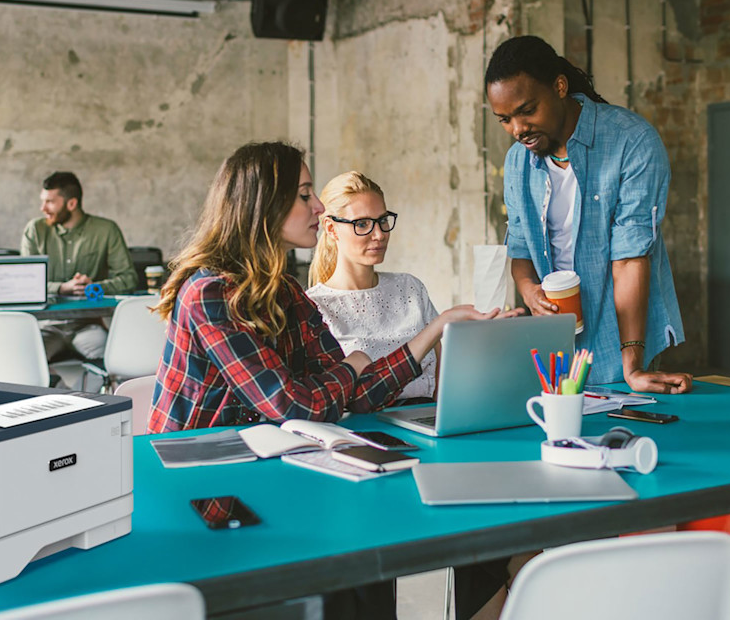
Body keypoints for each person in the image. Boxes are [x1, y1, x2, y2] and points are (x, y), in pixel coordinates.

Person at [149, 142, 506, 620]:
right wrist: (349, 367)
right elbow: (293, 404)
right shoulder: (210, 292)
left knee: (362, 553)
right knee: (345, 563)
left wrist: (430, 332)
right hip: (197, 485)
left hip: (264, 468)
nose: (318, 207)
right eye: (303, 195)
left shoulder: (287, 291)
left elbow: (352, 397)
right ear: (264, 206)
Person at [485, 35, 691, 394]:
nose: (517, 130)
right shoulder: (517, 162)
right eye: (505, 119)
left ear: (560, 87)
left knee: (620, 440)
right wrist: (530, 291)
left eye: (527, 110)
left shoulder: (632, 143)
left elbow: (629, 259)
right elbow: (519, 248)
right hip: (557, 347)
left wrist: (633, 366)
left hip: (622, 337)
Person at [306, 171, 440, 401]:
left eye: (382, 220)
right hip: (359, 431)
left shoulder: (410, 288)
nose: (379, 234)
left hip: (428, 423)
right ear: (330, 229)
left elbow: (445, 375)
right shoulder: (314, 307)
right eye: (362, 224)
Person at [20, 171, 137, 367]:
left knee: (117, 362)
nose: (43, 208)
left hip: (87, 325)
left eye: (50, 202)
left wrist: (94, 287)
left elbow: (129, 278)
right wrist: (62, 288)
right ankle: (59, 389)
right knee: (23, 361)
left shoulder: (106, 230)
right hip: (45, 326)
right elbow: (25, 283)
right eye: (43, 201)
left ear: (71, 204)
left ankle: (100, 396)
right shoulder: (35, 230)